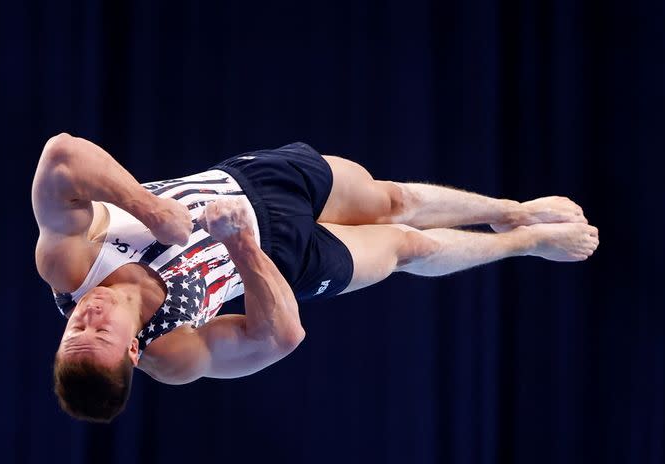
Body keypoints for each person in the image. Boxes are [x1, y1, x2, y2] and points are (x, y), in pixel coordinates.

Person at [32, 133, 599, 422]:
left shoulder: (70, 266)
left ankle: (512, 211)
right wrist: (243, 247)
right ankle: (529, 244)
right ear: (133, 350)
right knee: (406, 245)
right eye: (99, 333)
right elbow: (280, 336)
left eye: (73, 329)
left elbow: (61, 157)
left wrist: (149, 209)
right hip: (280, 263)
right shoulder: (172, 355)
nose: (88, 315)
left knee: (390, 199)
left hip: (254, 182)